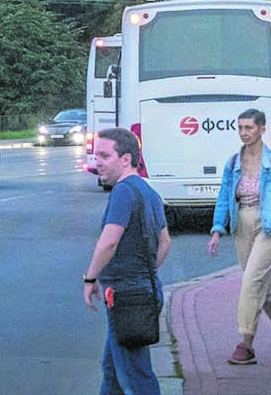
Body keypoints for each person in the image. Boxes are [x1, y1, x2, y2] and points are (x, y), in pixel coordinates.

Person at [208, 108, 271, 365]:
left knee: (250, 281)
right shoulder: (233, 163)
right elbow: (224, 197)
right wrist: (217, 229)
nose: (243, 133)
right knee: (263, 287)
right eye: (240, 128)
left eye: (248, 127)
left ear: (262, 129)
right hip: (242, 223)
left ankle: (246, 344)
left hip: (269, 225)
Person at [83, 127, 170, 395]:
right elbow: (165, 242)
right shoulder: (149, 192)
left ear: (126, 159)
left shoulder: (123, 191)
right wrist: (145, 273)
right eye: (95, 155)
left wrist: (90, 278)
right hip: (144, 292)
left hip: (126, 298)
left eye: (104, 156)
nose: (97, 162)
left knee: (135, 378)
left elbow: (110, 240)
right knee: (113, 373)